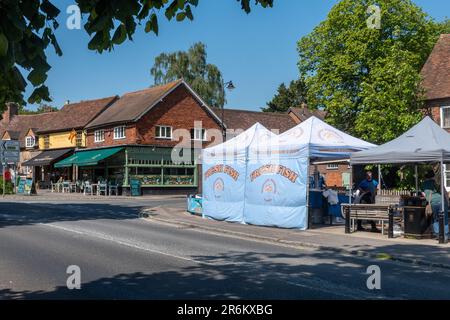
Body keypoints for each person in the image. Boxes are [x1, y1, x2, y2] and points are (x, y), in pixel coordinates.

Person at [421, 170, 449, 238]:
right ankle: (446, 235)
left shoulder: (423, 184)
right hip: (441, 201)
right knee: (444, 218)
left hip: (432, 202)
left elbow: (424, 194)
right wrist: (447, 201)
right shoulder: (436, 183)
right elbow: (444, 192)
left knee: (435, 219)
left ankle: (438, 234)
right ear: (433, 176)